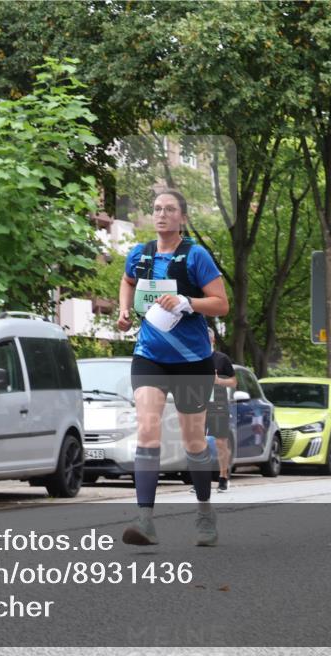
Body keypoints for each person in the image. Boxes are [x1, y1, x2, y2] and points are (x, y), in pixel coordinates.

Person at [117, 190, 229, 546]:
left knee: (194, 441)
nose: (162, 215)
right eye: (157, 209)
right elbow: (127, 281)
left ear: (182, 217)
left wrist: (187, 302)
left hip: (192, 361)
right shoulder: (140, 254)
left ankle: (205, 512)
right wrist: (122, 310)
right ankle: (145, 520)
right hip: (149, 355)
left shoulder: (196, 257)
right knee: (148, 429)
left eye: (169, 210)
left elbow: (221, 305)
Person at [206, 328, 237, 491]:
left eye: (206, 338)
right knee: (196, 443)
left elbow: (233, 382)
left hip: (218, 405)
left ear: (212, 341)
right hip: (197, 405)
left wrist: (219, 381)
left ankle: (223, 476)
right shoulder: (193, 358)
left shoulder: (221, 359)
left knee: (220, 442)